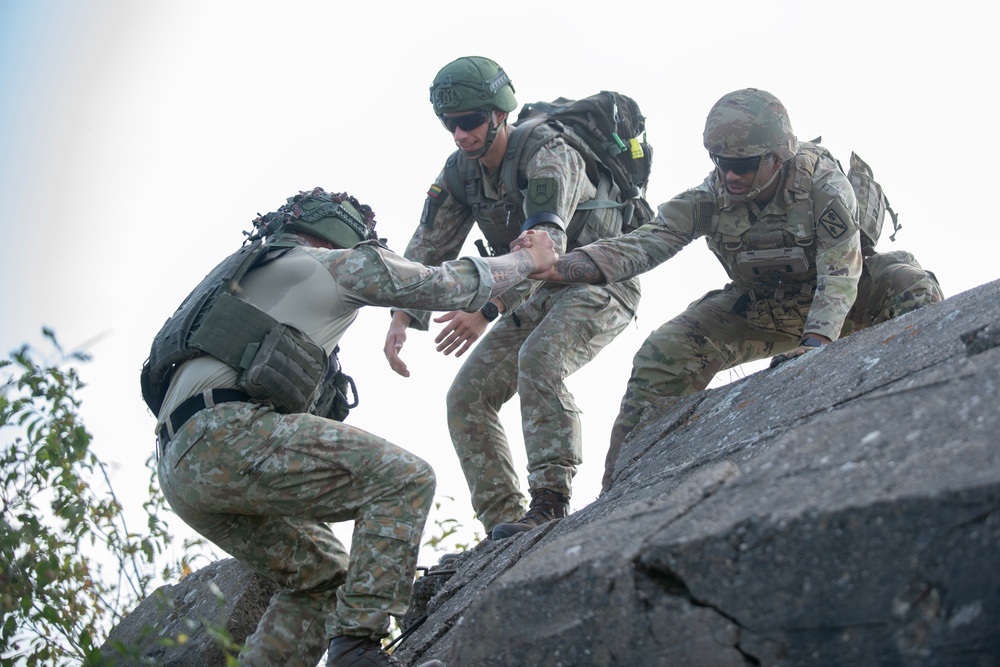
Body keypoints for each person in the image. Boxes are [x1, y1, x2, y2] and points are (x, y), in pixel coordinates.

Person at [140, 188, 555, 667]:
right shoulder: (327, 265)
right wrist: (528, 261)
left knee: (323, 575)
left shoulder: (247, 275)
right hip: (224, 434)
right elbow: (443, 285)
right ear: (338, 237)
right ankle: (357, 649)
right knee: (404, 479)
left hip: (179, 466)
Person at [515, 88, 943, 492]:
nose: (731, 174)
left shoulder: (823, 185)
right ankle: (621, 491)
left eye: (744, 164)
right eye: (721, 162)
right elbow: (646, 243)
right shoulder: (709, 195)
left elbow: (840, 270)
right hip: (763, 306)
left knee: (910, 284)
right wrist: (559, 268)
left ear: (778, 157)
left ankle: (933, 412)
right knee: (664, 353)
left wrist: (816, 347)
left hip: (844, 300)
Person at [383, 56, 642, 541]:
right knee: (466, 397)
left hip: (599, 283)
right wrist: (402, 315)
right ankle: (504, 524)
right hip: (534, 296)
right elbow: (428, 245)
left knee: (539, 359)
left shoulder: (549, 155)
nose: (460, 134)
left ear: (499, 113)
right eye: (450, 124)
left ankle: (550, 501)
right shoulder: (461, 172)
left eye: (470, 121)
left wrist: (488, 309)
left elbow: (545, 248)